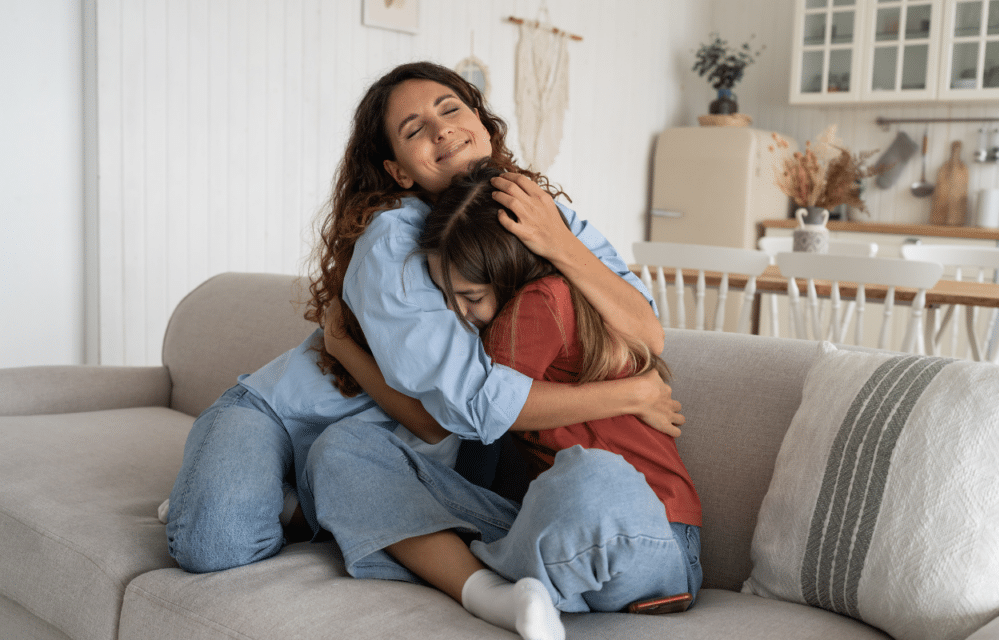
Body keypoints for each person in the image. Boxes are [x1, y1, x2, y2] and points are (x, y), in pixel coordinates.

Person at [165, 60, 682, 578]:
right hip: (288, 413)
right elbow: (458, 411)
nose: (441, 129)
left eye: (451, 108)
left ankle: (301, 507)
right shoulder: (396, 236)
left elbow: (647, 334)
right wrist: (633, 394)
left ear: (482, 121)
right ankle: (235, 491)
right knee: (215, 543)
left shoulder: (545, 213)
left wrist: (559, 244)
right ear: (399, 171)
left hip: (384, 454)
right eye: (413, 130)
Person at [308, 160, 702, 640]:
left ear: (509, 271)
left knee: (592, 475)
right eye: (447, 298)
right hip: (548, 528)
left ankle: (468, 567)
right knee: (344, 447)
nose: (460, 313)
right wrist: (630, 394)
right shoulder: (519, 312)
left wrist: (347, 350)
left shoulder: (538, 305)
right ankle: (496, 590)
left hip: (648, 536)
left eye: (470, 297)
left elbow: (474, 416)